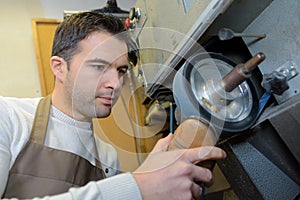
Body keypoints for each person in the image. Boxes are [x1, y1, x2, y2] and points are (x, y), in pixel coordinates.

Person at [0, 11, 226, 200]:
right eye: (99, 67)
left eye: (121, 70)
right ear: (60, 68)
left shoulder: (108, 157)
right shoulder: (9, 117)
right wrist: (137, 186)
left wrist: (147, 176)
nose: (115, 84)